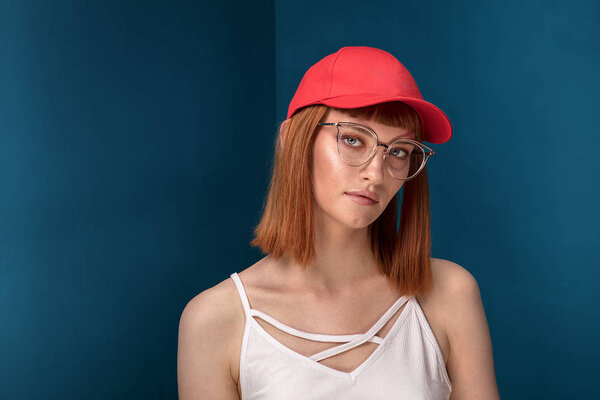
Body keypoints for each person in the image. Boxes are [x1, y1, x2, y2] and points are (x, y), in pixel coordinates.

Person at [177, 46, 500, 399]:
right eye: (352, 139)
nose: (376, 173)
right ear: (293, 140)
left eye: (399, 151)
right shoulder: (215, 320)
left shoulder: (448, 294)